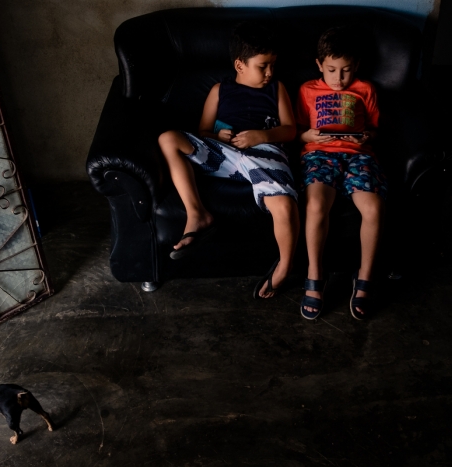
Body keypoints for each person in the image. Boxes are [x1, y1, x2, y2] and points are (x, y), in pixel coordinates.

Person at [158, 21, 299, 299]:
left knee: (283, 203)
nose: (270, 72)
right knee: (168, 139)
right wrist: (216, 136)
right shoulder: (219, 90)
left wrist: (261, 136)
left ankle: (285, 265)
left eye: (273, 65)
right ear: (239, 65)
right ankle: (197, 214)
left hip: (265, 153)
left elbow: (291, 130)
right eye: (263, 66)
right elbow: (202, 131)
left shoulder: (276, 88)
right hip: (225, 153)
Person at [295, 26, 388, 320]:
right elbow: (296, 130)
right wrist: (307, 136)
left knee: (372, 208)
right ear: (320, 65)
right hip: (319, 154)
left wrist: (365, 138)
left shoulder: (366, 90)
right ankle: (315, 273)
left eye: (346, 71)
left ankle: (365, 276)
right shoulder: (307, 90)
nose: (339, 78)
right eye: (332, 70)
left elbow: (373, 130)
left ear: (356, 67)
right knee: (316, 205)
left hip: (358, 156)